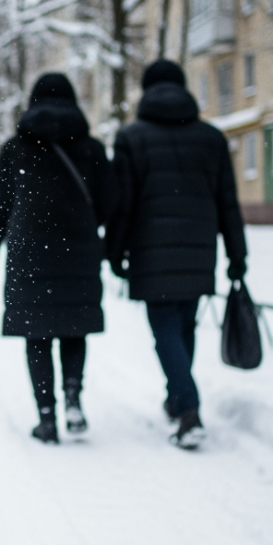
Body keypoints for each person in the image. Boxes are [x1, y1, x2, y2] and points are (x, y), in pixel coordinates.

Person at [106, 60, 248, 451]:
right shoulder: (211, 138)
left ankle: (188, 411)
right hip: (200, 254)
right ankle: (177, 398)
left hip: (152, 256)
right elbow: (228, 204)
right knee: (183, 329)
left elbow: (123, 204)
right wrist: (238, 255)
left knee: (166, 332)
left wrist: (115, 252)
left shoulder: (132, 138)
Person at [0, 73, 116, 444]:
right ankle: (73, 396)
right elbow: (109, 205)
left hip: (30, 256)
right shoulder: (91, 149)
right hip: (79, 254)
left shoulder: (15, 149)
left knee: (37, 336)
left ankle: (46, 417)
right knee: (74, 329)